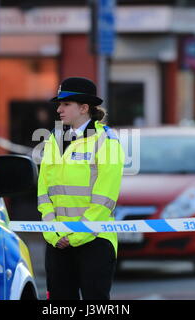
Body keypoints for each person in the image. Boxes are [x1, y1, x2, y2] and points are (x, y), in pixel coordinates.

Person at [37, 77, 125, 300]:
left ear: (84, 108)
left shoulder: (107, 141)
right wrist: (53, 231)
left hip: (95, 241)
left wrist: (76, 235)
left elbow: (104, 199)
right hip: (57, 241)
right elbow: (43, 192)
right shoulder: (53, 140)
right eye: (59, 104)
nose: (59, 109)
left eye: (66, 104)